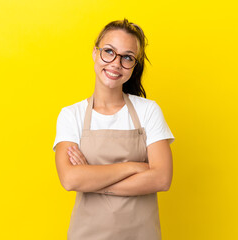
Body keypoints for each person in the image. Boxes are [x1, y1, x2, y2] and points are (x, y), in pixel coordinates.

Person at [53, 18, 174, 240]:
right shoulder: (71, 115)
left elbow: (162, 179)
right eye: (109, 51)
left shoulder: (148, 111)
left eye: (127, 57)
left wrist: (92, 179)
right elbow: (70, 179)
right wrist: (133, 167)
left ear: (133, 65)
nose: (116, 63)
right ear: (95, 53)